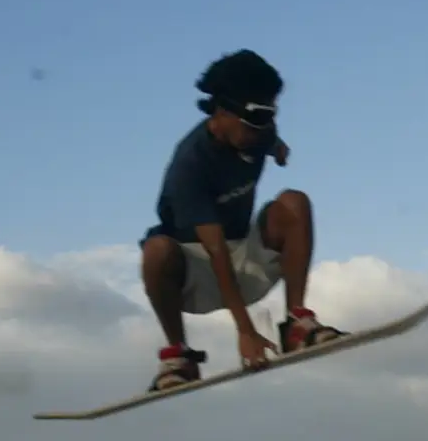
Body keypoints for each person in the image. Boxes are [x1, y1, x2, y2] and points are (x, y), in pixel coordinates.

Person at [139, 49, 346, 392]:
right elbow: (216, 251)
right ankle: (178, 355)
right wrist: (246, 331)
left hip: (246, 256)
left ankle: (296, 323)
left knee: (294, 202)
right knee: (156, 250)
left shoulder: (259, 129)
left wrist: (277, 147)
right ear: (222, 111)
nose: (258, 132)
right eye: (252, 122)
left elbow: (269, 136)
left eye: (268, 118)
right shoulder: (190, 165)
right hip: (194, 272)